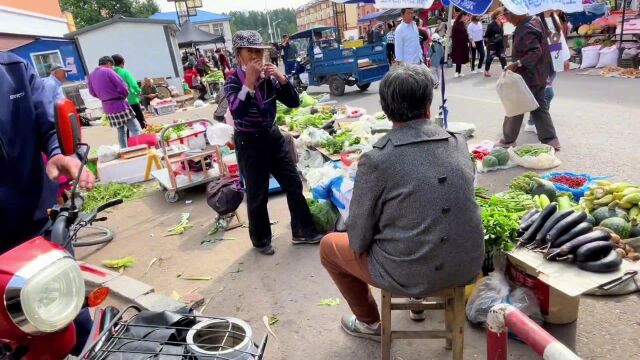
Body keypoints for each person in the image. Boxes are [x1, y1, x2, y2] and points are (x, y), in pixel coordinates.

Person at [320, 64, 484, 340]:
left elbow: (358, 239)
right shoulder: (457, 143)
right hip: (467, 265)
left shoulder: (377, 159)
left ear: (385, 109)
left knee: (328, 247)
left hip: (407, 273)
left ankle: (370, 324)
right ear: (428, 106)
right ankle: (417, 302)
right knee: (416, 222)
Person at [0, 51, 96, 356]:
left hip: (37, 226)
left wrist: (60, 152)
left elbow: (49, 123)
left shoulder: (13, 69)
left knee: (72, 314)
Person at [224, 30, 321, 256]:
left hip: (273, 137)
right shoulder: (232, 81)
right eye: (251, 52)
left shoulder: (268, 79)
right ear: (240, 56)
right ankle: (261, 240)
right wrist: (248, 82)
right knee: (258, 194)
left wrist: (281, 78)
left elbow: (293, 102)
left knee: (293, 183)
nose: (257, 56)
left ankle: (303, 231)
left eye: (260, 51)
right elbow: (238, 112)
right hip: (249, 142)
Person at [496, 8, 560, 150]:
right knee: (539, 107)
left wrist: (517, 63)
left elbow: (535, 51)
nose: (507, 20)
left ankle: (508, 140)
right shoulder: (535, 21)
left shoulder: (526, 28)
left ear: (516, 13)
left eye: (507, 16)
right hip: (540, 74)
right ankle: (551, 140)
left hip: (530, 75)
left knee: (516, 106)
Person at [88, 56, 142, 149]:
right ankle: (137, 149)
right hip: (119, 105)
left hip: (107, 107)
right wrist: (124, 95)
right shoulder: (108, 71)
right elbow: (122, 86)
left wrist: (104, 98)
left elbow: (92, 92)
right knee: (135, 128)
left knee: (121, 131)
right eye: (112, 66)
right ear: (109, 63)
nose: (113, 68)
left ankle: (124, 150)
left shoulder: (91, 75)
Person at [112, 54, 146, 129]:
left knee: (127, 125)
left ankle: (129, 140)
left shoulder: (111, 73)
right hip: (131, 100)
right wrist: (138, 91)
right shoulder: (124, 72)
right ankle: (145, 137)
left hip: (119, 103)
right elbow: (133, 84)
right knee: (141, 120)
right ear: (122, 63)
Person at [484, 9, 508, 77]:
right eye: (500, 15)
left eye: (502, 15)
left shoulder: (501, 23)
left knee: (502, 57)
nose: (502, 16)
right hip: (492, 45)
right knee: (490, 59)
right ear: (496, 16)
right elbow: (486, 36)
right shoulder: (491, 25)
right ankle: (486, 70)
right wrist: (488, 44)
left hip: (500, 45)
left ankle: (505, 71)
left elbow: (501, 33)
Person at [451, 12, 471, 77]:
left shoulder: (463, 23)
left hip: (463, 43)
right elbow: (454, 34)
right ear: (461, 16)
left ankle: (459, 72)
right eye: (464, 16)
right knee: (458, 58)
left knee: (461, 58)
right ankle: (456, 72)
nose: (465, 18)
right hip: (457, 43)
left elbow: (465, 32)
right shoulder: (456, 23)